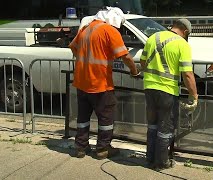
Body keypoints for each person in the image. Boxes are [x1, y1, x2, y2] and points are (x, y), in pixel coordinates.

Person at [68, 7, 139, 159]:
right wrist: (134, 71)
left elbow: (73, 48)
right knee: (106, 117)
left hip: (81, 82)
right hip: (100, 83)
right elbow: (125, 56)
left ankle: (80, 147)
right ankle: (103, 149)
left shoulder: (86, 29)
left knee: (83, 117)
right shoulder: (110, 31)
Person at [140, 18, 198, 170]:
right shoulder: (182, 44)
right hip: (167, 91)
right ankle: (162, 162)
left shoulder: (153, 37)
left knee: (152, 125)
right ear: (185, 32)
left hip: (149, 88)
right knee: (165, 127)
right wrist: (194, 96)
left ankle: (150, 158)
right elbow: (187, 74)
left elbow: (143, 61)